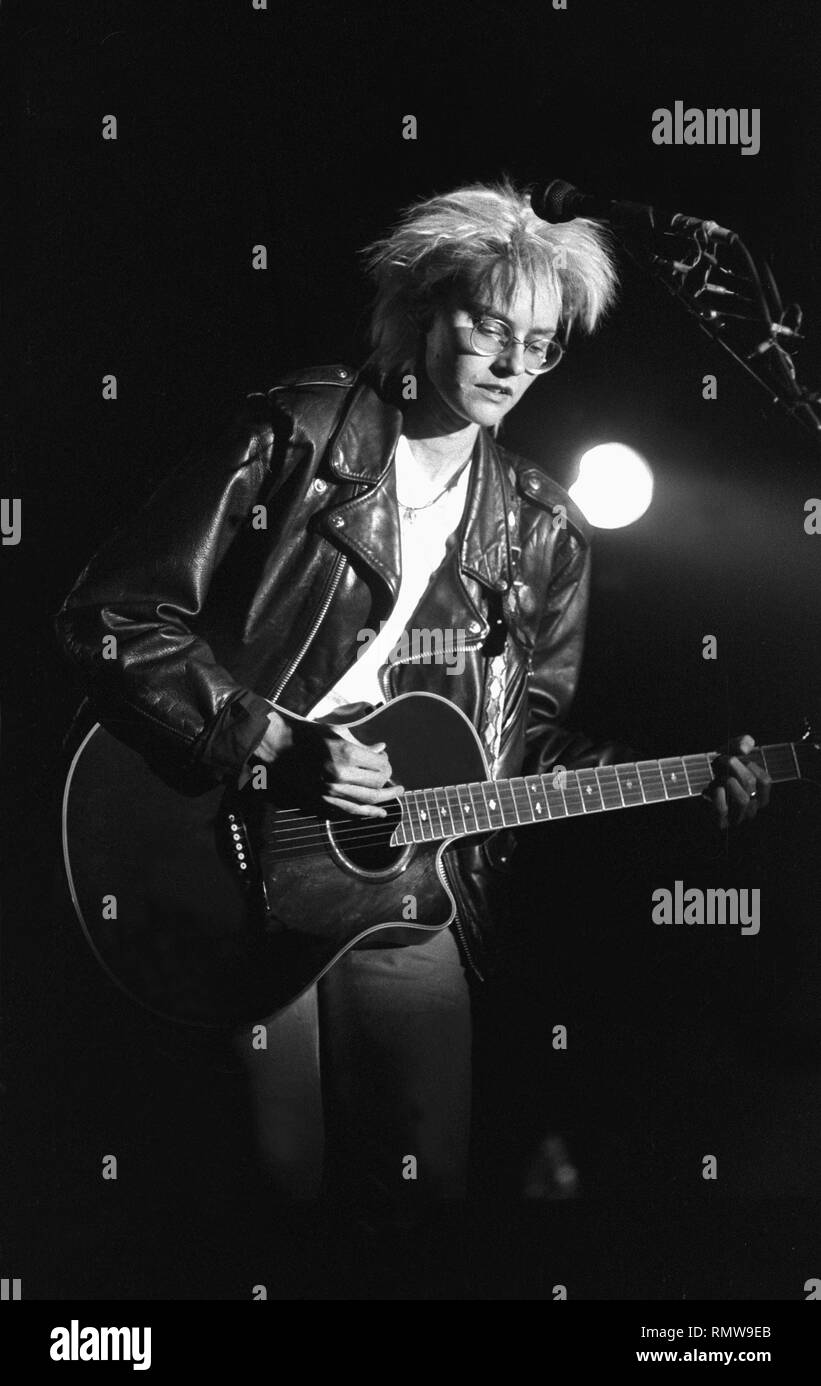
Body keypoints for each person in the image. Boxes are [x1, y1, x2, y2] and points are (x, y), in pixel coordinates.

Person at [55, 179, 771, 1226]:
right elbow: (110, 617)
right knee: (275, 1184)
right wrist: (269, 742)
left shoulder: (539, 530)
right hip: (219, 841)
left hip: (402, 884)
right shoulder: (300, 434)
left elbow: (512, 747)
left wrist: (686, 784)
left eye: (542, 343)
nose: (512, 364)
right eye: (489, 325)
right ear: (422, 307)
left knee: (425, 1197)